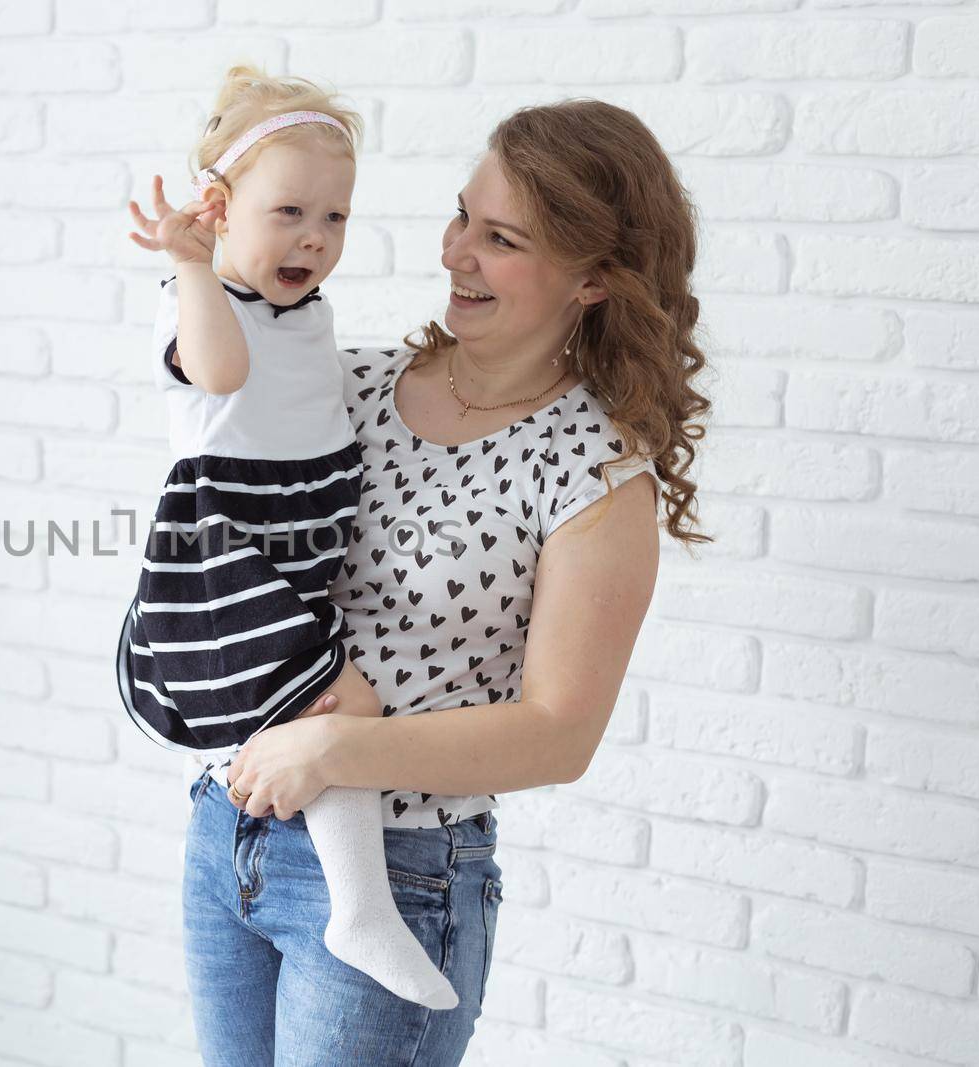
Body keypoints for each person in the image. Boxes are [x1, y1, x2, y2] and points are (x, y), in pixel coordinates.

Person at [180, 99, 714, 1065]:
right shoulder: (348, 381)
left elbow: (560, 733)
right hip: (231, 832)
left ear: (593, 279)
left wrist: (337, 748)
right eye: (461, 216)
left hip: (402, 874)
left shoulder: (593, 475)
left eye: (500, 237)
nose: (454, 252)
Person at [114, 65, 460, 1010]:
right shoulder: (195, 305)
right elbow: (221, 374)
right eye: (290, 213)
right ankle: (361, 906)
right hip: (228, 545)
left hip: (296, 540)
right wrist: (191, 265)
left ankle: (333, 894)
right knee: (337, 698)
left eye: (337, 218)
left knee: (309, 708)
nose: (316, 236)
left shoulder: (305, 309)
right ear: (218, 208)